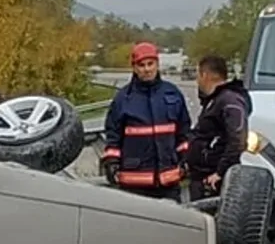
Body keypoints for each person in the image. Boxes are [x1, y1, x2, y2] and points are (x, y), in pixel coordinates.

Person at [99, 42, 191, 199]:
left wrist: (187, 160)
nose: (147, 69)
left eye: (151, 64)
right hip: (134, 187)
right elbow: (113, 137)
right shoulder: (123, 99)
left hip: (169, 183)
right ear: (134, 68)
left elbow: (184, 133)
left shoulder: (173, 94)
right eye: (141, 65)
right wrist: (112, 164)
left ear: (157, 64)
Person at [185, 55, 252, 201]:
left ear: (205, 75)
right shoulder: (214, 100)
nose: (197, 80)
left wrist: (220, 173)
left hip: (214, 181)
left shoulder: (230, 100)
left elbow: (238, 139)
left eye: (198, 75)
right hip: (201, 176)